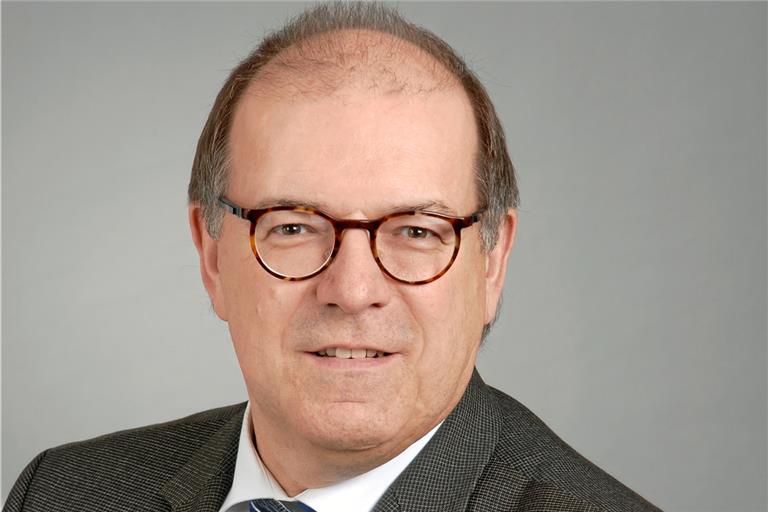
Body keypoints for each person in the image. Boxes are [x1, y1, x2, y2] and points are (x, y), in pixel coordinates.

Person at [5, 3, 662, 512]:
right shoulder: (61, 494)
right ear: (212, 256)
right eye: (293, 227)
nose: (351, 289)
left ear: (491, 262)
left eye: (416, 231)